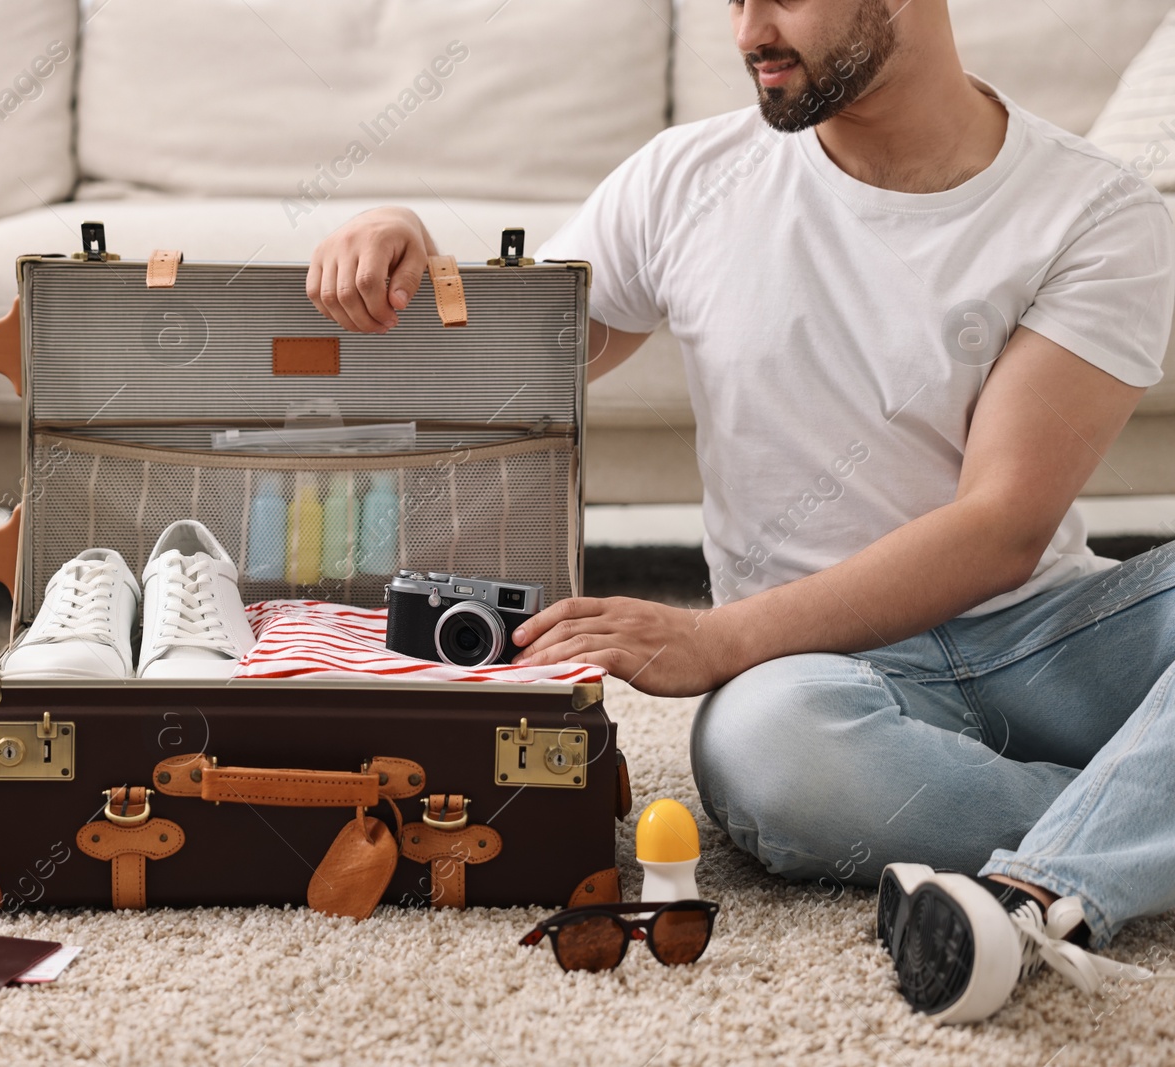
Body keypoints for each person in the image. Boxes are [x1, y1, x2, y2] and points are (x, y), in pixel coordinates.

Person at [305, 0, 1175, 1026]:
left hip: (1045, 637)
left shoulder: (1093, 209)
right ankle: (1126, 808)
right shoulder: (686, 177)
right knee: (764, 751)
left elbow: (1000, 525)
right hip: (821, 679)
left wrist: (715, 636)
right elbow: (512, 367)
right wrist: (406, 244)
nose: (749, 29)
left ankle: (1038, 888)